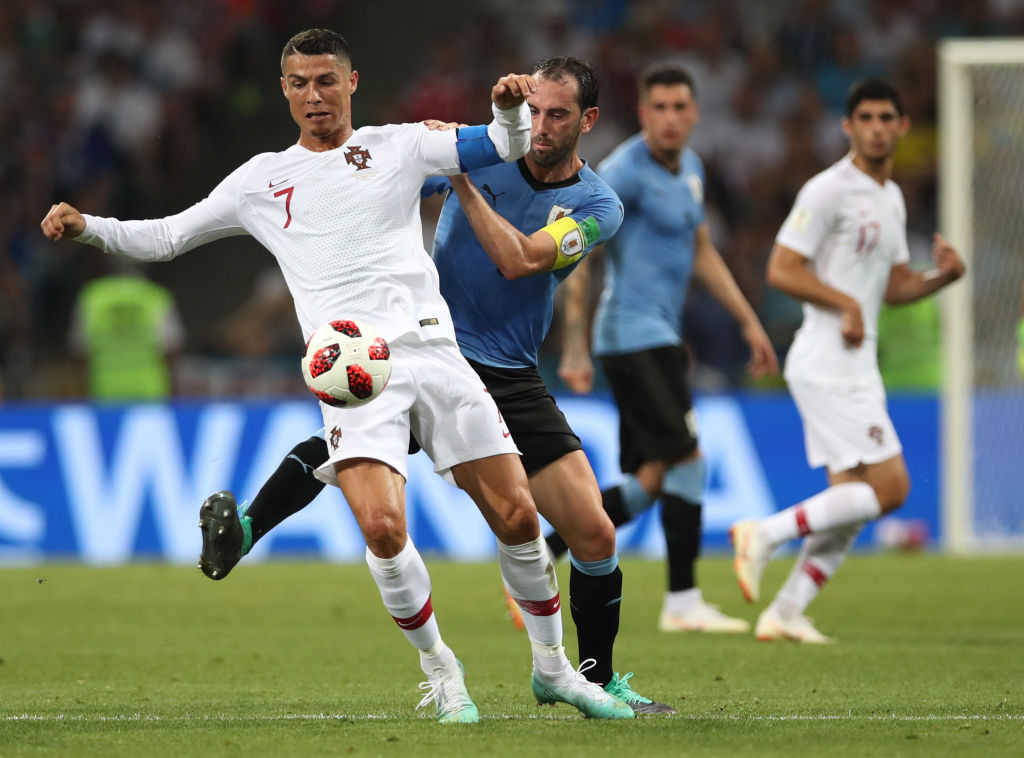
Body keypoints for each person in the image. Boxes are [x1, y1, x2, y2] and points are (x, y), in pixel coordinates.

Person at [41, 29, 630, 723]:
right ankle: (442, 672)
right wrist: (89, 228)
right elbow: (168, 236)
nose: (313, 95)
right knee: (382, 526)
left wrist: (505, 109)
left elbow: (501, 147)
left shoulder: (401, 145)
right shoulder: (260, 179)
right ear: (284, 90)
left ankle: (555, 669)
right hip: (354, 369)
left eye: (327, 81)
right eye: (299, 83)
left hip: (439, 351)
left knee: (518, 513)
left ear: (351, 83)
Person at [198, 56, 673, 715]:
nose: (539, 125)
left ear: (587, 121)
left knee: (593, 533)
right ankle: (246, 531)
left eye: (557, 115)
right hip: (428, 350)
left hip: (508, 370)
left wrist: (462, 183)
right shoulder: (482, 147)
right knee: (349, 452)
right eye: (532, 110)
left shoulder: (598, 203)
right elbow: (371, 196)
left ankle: (597, 675)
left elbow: (521, 260)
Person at [730, 79, 965, 643]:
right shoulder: (827, 190)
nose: (878, 127)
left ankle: (786, 612)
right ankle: (763, 532)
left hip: (856, 364)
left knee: (851, 502)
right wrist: (844, 302)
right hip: (826, 360)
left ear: (903, 128)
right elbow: (782, 269)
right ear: (849, 126)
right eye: (866, 117)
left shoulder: (891, 197)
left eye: (888, 117)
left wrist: (944, 278)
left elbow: (896, 285)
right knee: (892, 490)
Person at [553, 63, 778, 634]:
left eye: (681, 107)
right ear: (644, 113)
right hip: (630, 336)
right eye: (660, 108)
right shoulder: (624, 171)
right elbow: (580, 251)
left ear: (695, 113)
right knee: (689, 461)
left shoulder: (692, 171)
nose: (671, 118)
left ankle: (540, 549)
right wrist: (574, 345)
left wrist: (749, 321)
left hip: (661, 338)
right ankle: (682, 602)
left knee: (656, 477)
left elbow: (702, 250)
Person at [67, 255, 185, 400]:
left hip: (104, 389)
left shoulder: (92, 296)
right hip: (150, 389)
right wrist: (174, 392)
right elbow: (171, 350)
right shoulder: (156, 296)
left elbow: (79, 351)